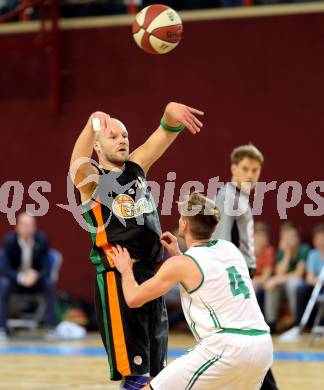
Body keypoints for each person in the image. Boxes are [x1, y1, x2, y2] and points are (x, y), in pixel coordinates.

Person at [70, 102, 204, 388]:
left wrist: (170, 113)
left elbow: (164, 133)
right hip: (118, 280)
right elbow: (75, 168)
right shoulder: (92, 181)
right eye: (113, 136)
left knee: (158, 374)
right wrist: (90, 123)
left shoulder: (136, 167)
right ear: (97, 145)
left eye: (125, 136)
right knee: (135, 374)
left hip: (153, 278)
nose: (122, 140)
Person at [110, 192, 273, 390]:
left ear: (184, 224)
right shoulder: (230, 249)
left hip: (226, 347)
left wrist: (126, 270)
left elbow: (134, 298)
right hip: (263, 345)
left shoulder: (182, 264)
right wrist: (179, 254)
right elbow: (206, 272)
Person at [211, 144, 278, 390]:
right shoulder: (228, 196)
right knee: (254, 335)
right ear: (233, 169)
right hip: (234, 276)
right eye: (245, 169)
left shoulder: (239, 196)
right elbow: (222, 240)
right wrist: (233, 279)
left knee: (244, 338)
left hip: (242, 274)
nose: (251, 174)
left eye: (255, 169)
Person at [0, 213, 59, 340]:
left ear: (34, 227)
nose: (27, 227)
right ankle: (2, 329)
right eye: (24, 224)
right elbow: (5, 268)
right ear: (18, 227)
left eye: (30, 225)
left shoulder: (42, 240)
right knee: (3, 284)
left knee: (48, 284)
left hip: (36, 281)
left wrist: (36, 275)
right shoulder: (9, 241)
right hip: (16, 281)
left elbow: (47, 267)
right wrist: (20, 277)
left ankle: (53, 327)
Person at [264, 222, 310, 333]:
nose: (288, 240)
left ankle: (297, 322)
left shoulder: (304, 249)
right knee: (273, 287)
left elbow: (298, 274)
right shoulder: (281, 252)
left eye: (291, 236)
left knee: (292, 283)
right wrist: (287, 253)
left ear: (297, 237)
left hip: (300, 285)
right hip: (284, 286)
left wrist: (275, 280)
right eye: (285, 237)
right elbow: (279, 273)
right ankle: (271, 323)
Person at [294, 224, 324, 327]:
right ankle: (299, 325)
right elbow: (309, 277)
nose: (321, 241)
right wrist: (317, 281)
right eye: (318, 238)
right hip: (317, 284)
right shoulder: (313, 254)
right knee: (301, 289)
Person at [253, 221, 275, 313]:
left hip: (262, 284)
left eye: (264, 236)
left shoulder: (269, 251)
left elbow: (266, 276)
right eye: (258, 235)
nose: (261, 239)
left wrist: (252, 281)